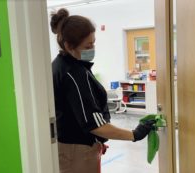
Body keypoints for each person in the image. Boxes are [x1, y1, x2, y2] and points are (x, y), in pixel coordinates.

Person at [50, 8, 155, 173]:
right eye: (87, 45)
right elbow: (94, 125)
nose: (92, 48)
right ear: (69, 46)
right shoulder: (73, 74)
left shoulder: (61, 64)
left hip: (70, 147)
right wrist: (135, 134)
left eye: (94, 42)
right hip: (77, 152)